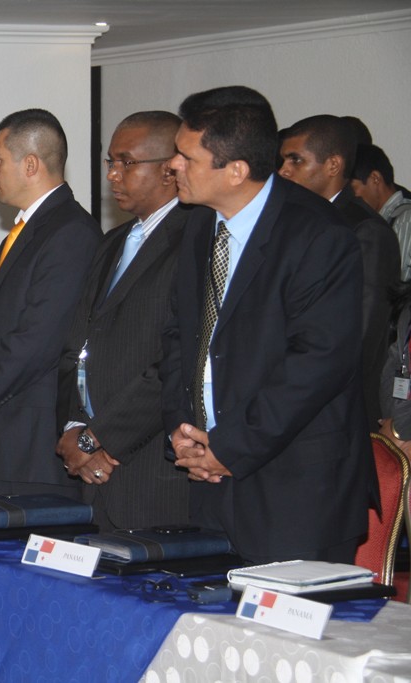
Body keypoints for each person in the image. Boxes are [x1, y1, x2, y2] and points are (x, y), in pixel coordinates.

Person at [161, 85, 375, 563]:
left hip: (295, 490)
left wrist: (230, 447)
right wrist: (183, 429)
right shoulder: (200, 224)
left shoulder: (317, 234)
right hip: (208, 477)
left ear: (236, 171)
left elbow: (318, 362)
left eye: (186, 157)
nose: (172, 165)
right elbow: (180, 335)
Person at [0, 109, 100, 495]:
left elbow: (38, 338)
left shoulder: (71, 232)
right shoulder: (21, 232)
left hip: (31, 441)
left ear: (30, 164)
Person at [56, 111, 193, 530]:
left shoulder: (193, 240)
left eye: (127, 163)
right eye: (110, 162)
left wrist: (100, 437)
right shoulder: (114, 241)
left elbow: (175, 362)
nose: (113, 175)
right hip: (92, 466)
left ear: (169, 169)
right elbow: (78, 342)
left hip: (149, 468)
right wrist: (75, 425)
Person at [278, 114, 399, 423]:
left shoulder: (364, 229)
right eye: (283, 160)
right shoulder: (294, 220)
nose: (283, 171)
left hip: (335, 406)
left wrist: (301, 393)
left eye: (295, 160)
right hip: (287, 392)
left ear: (332, 165)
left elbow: (362, 334)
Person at [351, 144, 411, 282]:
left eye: (352, 189)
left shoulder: (405, 219)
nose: (350, 197)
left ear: (375, 179)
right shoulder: (385, 219)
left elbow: (396, 282)